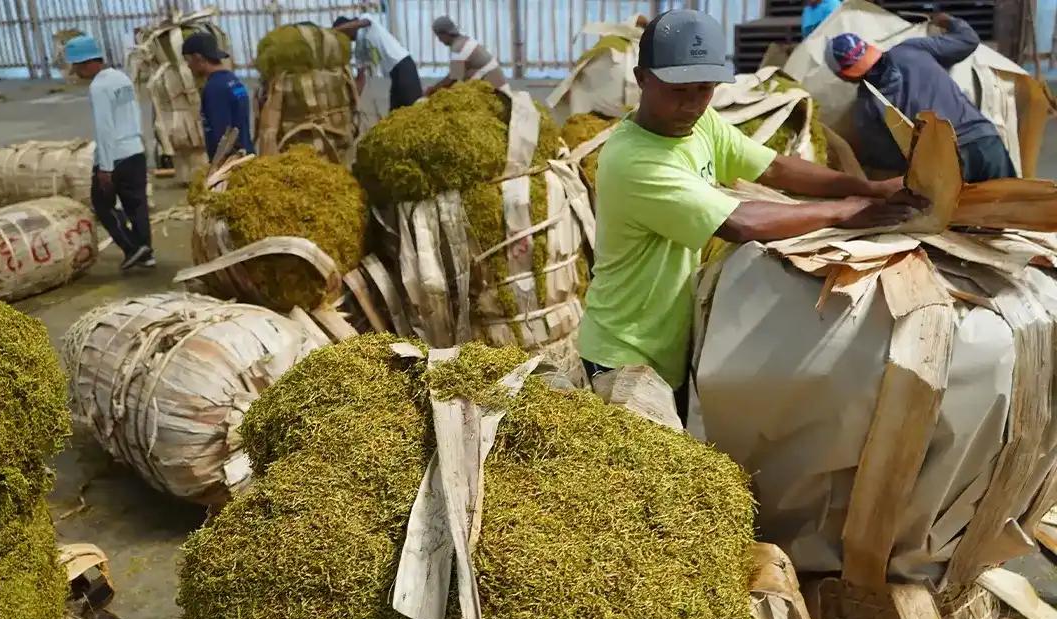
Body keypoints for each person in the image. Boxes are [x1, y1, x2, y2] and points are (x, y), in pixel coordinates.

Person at [579, 10, 920, 419]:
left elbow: (774, 167)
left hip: (668, 348)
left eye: (704, 89)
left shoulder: (699, 125)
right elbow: (739, 222)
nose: (691, 103)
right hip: (622, 356)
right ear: (642, 78)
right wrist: (842, 212)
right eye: (678, 89)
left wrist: (865, 187)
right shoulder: (633, 160)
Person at [827, 14, 1014, 182]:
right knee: (1017, 211)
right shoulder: (911, 49)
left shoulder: (866, 107)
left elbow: (888, 157)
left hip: (946, 164)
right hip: (986, 141)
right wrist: (948, 20)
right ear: (868, 48)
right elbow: (968, 41)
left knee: (961, 218)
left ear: (844, 75)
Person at [66, 35, 155, 270]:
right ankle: (146, 252)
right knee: (137, 205)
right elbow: (133, 113)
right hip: (135, 150)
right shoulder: (121, 78)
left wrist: (105, 167)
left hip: (115, 156)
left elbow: (105, 129)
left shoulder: (99, 87)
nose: (76, 72)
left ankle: (132, 248)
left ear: (86, 63)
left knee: (102, 205)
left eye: (76, 67)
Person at [182, 32, 255, 160]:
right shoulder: (233, 81)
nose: (188, 66)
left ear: (198, 58)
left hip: (231, 164)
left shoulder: (214, 89)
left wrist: (219, 166)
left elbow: (222, 136)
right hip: (246, 155)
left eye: (188, 61)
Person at [333, 14, 422, 110]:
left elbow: (362, 23)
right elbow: (360, 78)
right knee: (395, 111)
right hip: (394, 74)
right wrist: (354, 100)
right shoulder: (359, 50)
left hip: (404, 65)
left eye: (343, 35)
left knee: (412, 106)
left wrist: (336, 30)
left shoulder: (366, 21)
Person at [425, 16, 509, 95]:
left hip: (496, 93)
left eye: (439, 36)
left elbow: (453, 78)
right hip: (498, 87)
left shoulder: (459, 47)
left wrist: (433, 90)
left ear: (444, 34)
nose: (439, 40)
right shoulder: (465, 40)